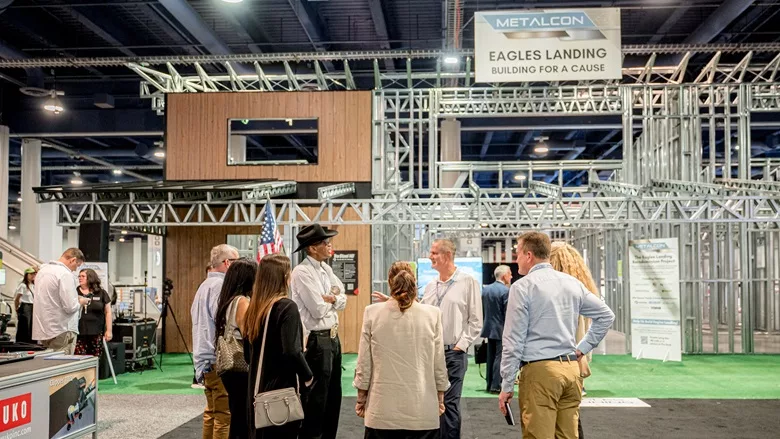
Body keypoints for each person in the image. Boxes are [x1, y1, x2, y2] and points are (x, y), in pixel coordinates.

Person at [499, 232, 615, 439]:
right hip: (571, 371)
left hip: (540, 373)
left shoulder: (522, 287)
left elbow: (513, 341)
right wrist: (583, 348)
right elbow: (606, 315)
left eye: (517, 254)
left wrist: (506, 385)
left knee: (538, 435)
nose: (515, 259)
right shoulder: (571, 283)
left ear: (528, 255)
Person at [354, 261, 449, 439]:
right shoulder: (432, 314)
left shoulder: (372, 312)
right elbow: (439, 364)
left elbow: (364, 363)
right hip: (422, 412)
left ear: (390, 282)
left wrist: (361, 397)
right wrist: (440, 397)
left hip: (381, 411)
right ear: (414, 281)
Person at [243, 253, 313, 439]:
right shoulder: (286, 307)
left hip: (256, 389)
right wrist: (308, 376)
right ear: (284, 277)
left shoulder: (254, 309)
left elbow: (248, 356)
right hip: (281, 389)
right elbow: (292, 351)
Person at [420, 239, 482, 439]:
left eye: (434, 252)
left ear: (447, 255)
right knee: (430, 405)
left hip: (453, 354)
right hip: (430, 354)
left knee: (449, 404)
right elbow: (420, 312)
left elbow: (476, 321)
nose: (430, 256)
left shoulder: (467, 282)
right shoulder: (431, 285)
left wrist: (460, 346)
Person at [290, 224, 347, 439]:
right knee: (316, 400)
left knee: (334, 397)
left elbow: (342, 298)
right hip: (317, 340)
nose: (329, 245)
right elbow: (317, 308)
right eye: (325, 242)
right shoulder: (302, 272)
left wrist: (332, 297)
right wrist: (333, 298)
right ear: (312, 248)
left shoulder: (326, 269)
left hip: (332, 339)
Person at [550, 242, 603, 438]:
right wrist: (583, 349)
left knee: (556, 419)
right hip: (575, 365)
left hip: (556, 363)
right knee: (571, 418)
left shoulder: (559, 294)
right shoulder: (581, 291)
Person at [192, 244, 240, 439]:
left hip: (205, 360)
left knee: (211, 413)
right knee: (223, 416)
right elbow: (224, 322)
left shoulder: (204, 286)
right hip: (218, 360)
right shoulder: (221, 287)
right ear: (228, 263)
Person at [214, 258, 258, 439]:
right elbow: (249, 334)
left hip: (230, 368)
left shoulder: (228, 300)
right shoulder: (242, 302)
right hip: (240, 368)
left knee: (238, 416)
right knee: (243, 420)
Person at [32, 248, 90, 354]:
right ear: (72, 260)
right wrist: (81, 301)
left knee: (47, 365)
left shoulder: (42, 272)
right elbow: (70, 307)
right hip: (62, 329)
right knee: (62, 366)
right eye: (77, 265)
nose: (75, 270)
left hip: (44, 328)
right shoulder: (65, 274)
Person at [480, 264, 511, 394]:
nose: (511, 276)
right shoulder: (506, 291)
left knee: (490, 357)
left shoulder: (486, 290)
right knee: (500, 357)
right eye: (509, 274)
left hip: (488, 328)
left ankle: (489, 384)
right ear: (504, 276)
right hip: (501, 329)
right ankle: (496, 385)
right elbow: (508, 313)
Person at [74, 269, 113, 356]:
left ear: (90, 278)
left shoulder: (101, 293)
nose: (80, 278)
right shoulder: (74, 292)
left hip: (96, 331)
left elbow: (108, 312)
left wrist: (109, 330)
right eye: (79, 276)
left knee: (96, 357)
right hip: (79, 332)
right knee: (79, 357)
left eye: (83, 276)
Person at [13, 267, 37, 344]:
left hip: (32, 307)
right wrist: (17, 309)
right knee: (25, 326)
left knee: (31, 327)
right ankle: (23, 343)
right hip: (25, 307)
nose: (33, 276)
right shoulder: (23, 285)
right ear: (26, 275)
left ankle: (31, 343)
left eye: (34, 274)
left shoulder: (32, 285)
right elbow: (17, 299)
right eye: (31, 274)